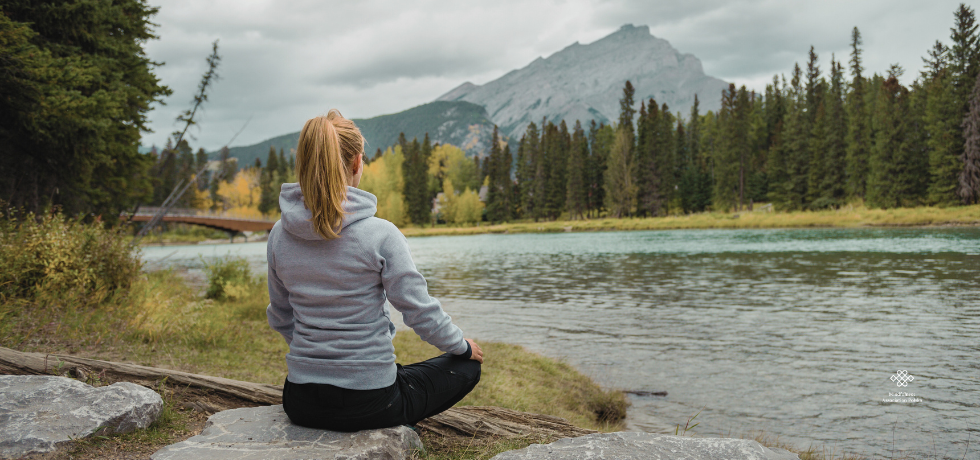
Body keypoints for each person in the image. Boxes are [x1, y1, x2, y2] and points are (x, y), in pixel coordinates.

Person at [266, 110, 483, 432]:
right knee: (466, 369)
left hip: (301, 401)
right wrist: (461, 346)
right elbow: (418, 310)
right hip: (370, 402)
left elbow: (281, 316)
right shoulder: (380, 234)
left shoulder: (278, 235)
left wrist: (318, 360)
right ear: (356, 163)